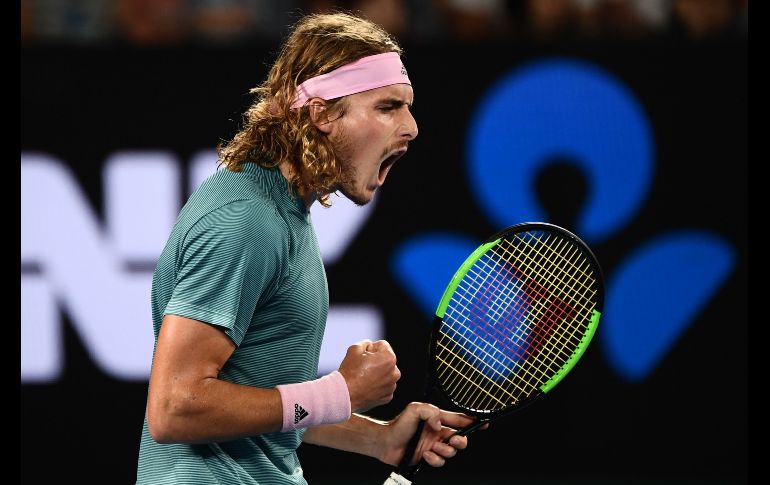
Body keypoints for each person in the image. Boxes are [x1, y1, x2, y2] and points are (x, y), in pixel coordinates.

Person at [136, 12, 477, 484]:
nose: (411, 126)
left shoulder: (281, 209)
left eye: (408, 106)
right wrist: (339, 392)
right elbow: (175, 408)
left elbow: (254, 395)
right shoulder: (248, 219)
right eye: (387, 107)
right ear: (321, 114)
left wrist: (379, 439)